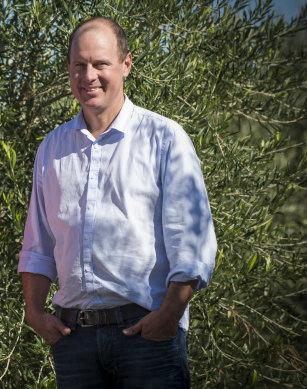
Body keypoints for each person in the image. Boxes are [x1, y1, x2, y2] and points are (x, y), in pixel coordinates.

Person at [19, 17, 217, 388]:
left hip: (147, 336)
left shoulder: (165, 138)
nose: (88, 75)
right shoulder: (52, 148)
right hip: (73, 339)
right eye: (79, 65)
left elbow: (192, 243)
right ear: (69, 71)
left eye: (100, 64)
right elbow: (38, 244)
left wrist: (168, 317)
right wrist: (34, 314)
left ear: (126, 65)